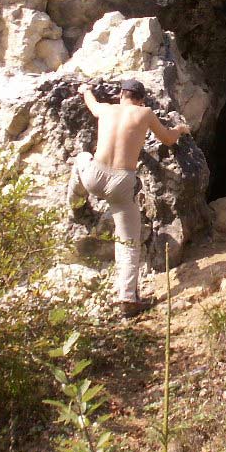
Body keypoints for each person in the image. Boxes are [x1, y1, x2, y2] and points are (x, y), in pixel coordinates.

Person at [70, 78, 190, 318]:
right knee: (128, 242)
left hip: (94, 176)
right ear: (141, 99)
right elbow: (167, 139)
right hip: (121, 182)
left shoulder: (107, 109)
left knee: (82, 159)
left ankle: (76, 204)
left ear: (121, 95)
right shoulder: (145, 113)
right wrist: (180, 130)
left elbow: (91, 104)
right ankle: (127, 299)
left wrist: (85, 90)